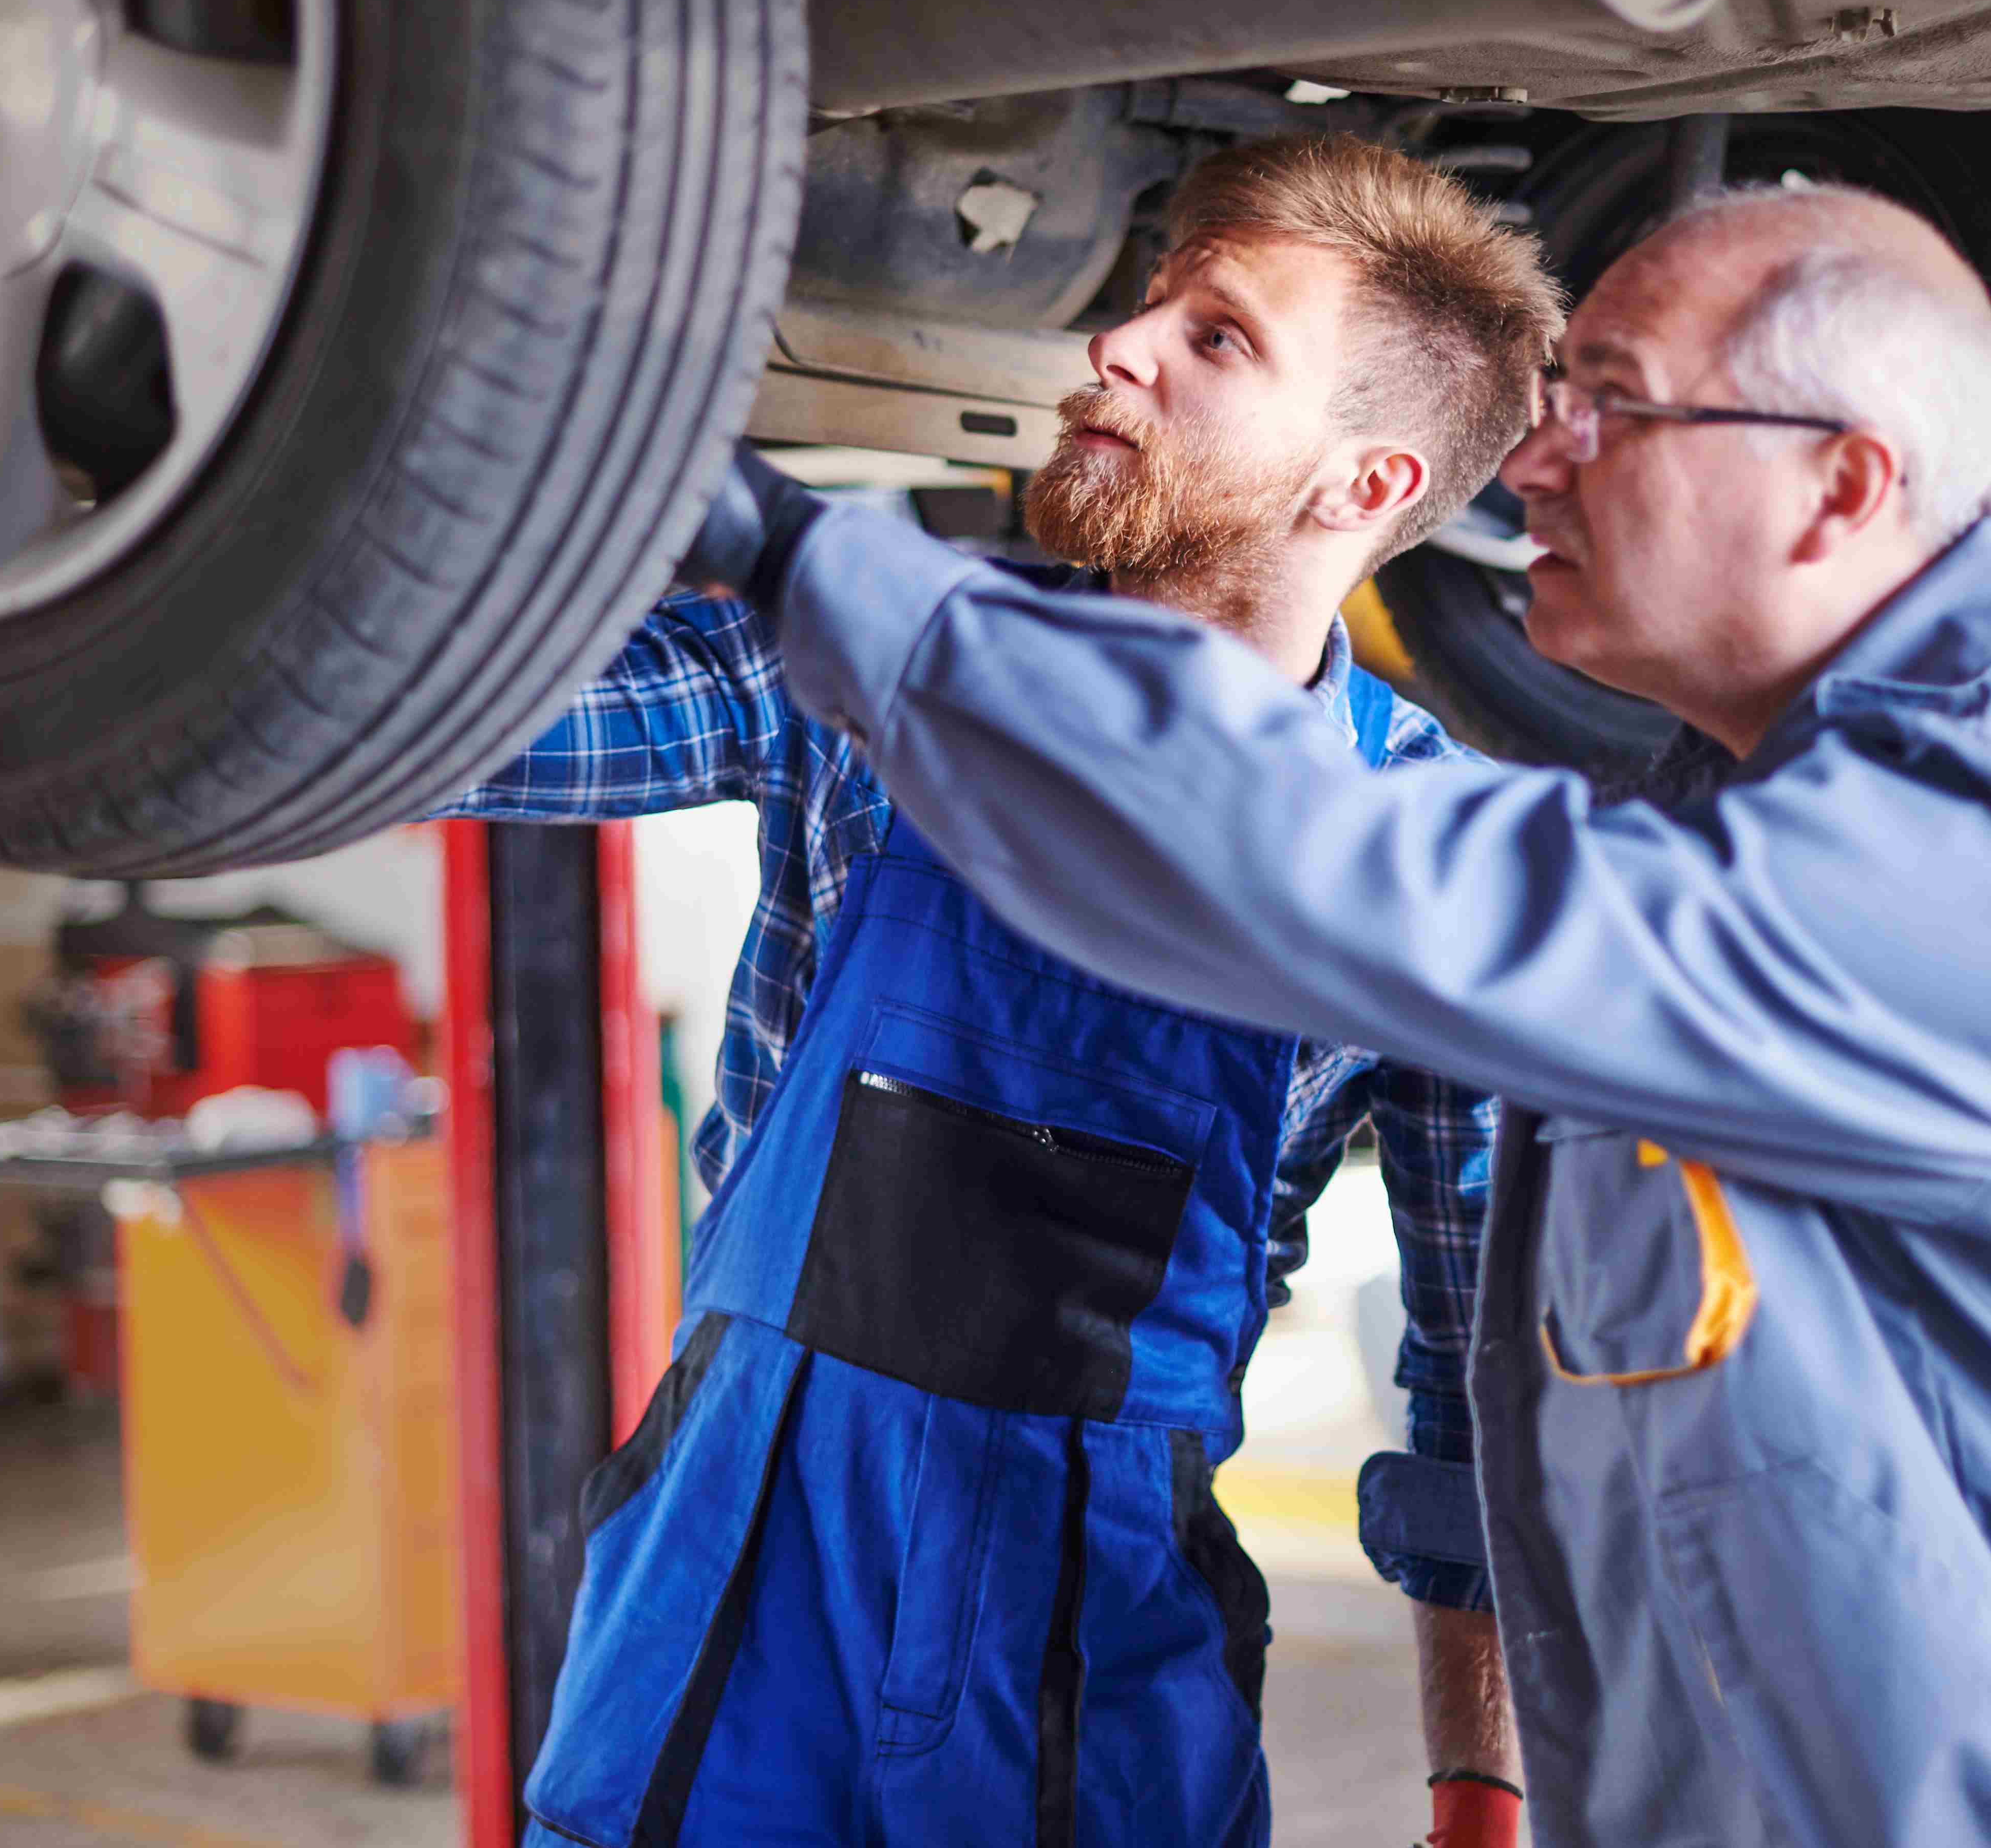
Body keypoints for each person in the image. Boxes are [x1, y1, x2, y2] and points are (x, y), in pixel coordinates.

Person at [693, 182, 1991, 1845]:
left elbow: (1325, 865)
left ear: (1840, 485)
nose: (1537, 466)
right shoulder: (1769, 803)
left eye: (1615, 409)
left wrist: (785, 548)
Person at [452, 135, 1564, 1848]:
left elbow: (1474, 1376)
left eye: (1220, 340)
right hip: (736, 1566)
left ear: (1365, 481)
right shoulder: (877, 657)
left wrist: (1481, 1791)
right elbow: (466, 722)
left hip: (1093, 1651)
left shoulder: (1428, 867)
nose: (1116, 348)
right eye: (1150, 307)